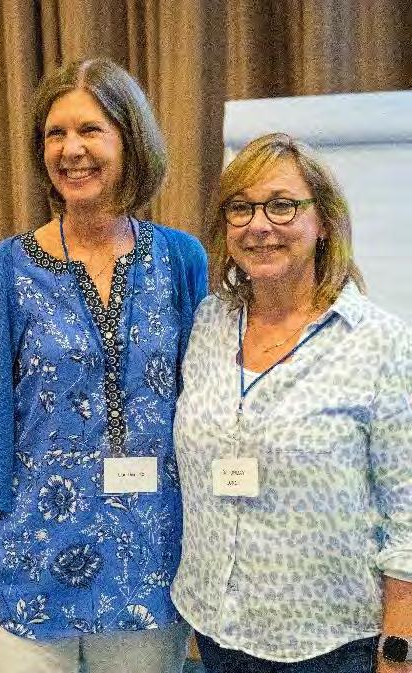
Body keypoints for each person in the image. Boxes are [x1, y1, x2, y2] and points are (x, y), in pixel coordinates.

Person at [0, 57, 207, 673]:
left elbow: (209, 413)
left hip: (151, 566)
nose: (71, 149)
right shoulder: (0, 273)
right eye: (56, 133)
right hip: (23, 569)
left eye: (90, 130)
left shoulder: (181, 260)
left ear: (130, 140)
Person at [170, 133, 412, 673]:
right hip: (216, 629)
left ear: (323, 222)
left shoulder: (380, 342)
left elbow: (408, 512)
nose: (259, 225)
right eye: (241, 208)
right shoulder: (208, 324)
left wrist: (399, 650)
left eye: (282, 206)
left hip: (329, 645)